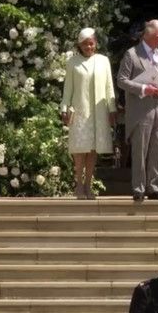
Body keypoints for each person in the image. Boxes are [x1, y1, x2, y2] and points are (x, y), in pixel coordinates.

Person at [118, 19, 158, 203]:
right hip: (140, 109)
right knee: (140, 150)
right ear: (148, 35)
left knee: (157, 150)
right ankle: (139, 188)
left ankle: (154, 187)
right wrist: (143, 89)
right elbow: (121, 80)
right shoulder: (132, 54)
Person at [61, 27, 116, 200]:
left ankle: (88, 185)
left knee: (93, 149)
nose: (89, 47)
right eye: (85, 44)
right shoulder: (73, 62)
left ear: (96, 43)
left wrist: (112, 110)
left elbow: (109, 87)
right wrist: (64, 109)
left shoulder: (103, 61)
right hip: (79, 111)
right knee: (79, 149)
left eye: (91, 43)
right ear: (80, 45)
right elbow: (68, 89)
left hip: (98, 112)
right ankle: (78, 184)